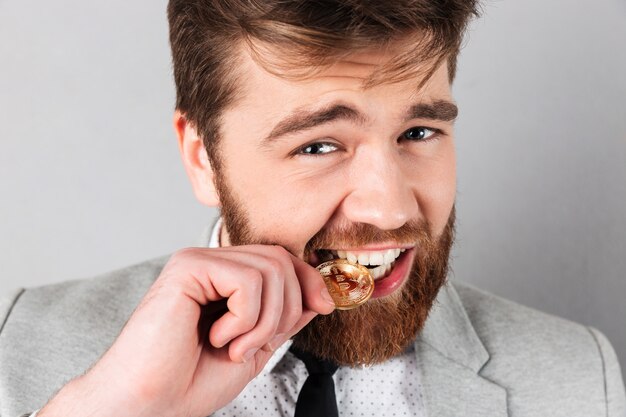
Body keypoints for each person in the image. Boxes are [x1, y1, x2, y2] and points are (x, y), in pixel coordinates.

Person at [0, 1, 624, 416]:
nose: (387, 208)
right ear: (202, 158)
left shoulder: (579, 379)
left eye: (419, 133)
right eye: (319, 145)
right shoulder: (17, 344)